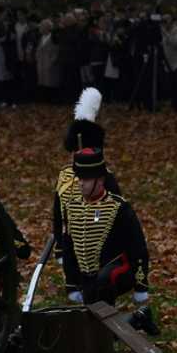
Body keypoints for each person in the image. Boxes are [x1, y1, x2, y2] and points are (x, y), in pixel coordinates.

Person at [60, 147, 157, 335]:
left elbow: (138, 247)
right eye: (79, 179)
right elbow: (69, 249)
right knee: (91, 326)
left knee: (105, 280)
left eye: (86, 179)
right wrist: (72, 283)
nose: (81, 184)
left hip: (118, 271)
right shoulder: (71, 208)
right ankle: (138, 318)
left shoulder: (119, 206)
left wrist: (140, 285)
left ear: (100, 179)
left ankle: (116, 323)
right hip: (88, 276)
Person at [53, 88, 122, 270]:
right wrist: (60, 246)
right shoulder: (65, 177)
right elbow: (58, 215)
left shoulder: (105, 178)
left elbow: (117, 211)